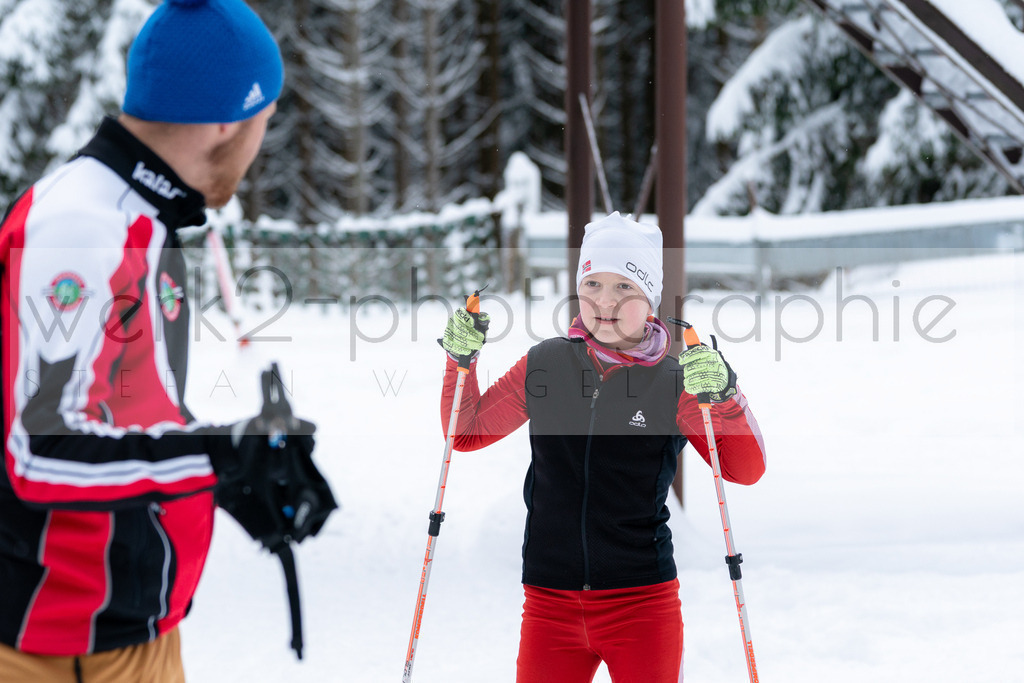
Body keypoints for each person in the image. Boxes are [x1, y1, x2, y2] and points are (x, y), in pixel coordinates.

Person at [0, 1, 334, 680]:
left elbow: (123, 415)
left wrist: (237, 470)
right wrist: (218, 460)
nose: (259, 143)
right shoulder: (84, 228)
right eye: (263, 122)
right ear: (226, 119)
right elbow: (39, 451)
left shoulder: (147, 224)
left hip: (130, 625)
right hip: (56, 644)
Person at [438, 212, 766, 682]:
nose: (605, 301)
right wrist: (459, 364)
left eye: (624, 287)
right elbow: (464, 432)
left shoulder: (677, 382)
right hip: (548, 603)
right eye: (592, 284)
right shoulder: (545, 365)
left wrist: (725, 398)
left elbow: (744, 468)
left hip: (642, 605)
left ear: (650, 297)